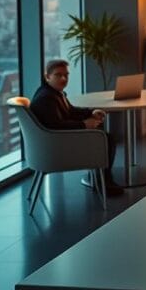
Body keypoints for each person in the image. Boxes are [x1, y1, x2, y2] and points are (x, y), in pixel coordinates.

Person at [30, 59, 124, 196]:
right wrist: (84, 124)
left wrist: (90, 112)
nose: (63, 78)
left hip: (53, 143)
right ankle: (104, 181)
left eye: (66, 75)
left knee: (102, 135)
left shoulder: (53, 93)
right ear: (47, 77)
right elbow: (56, 126)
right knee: (106, 138)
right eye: (58, 75)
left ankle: (102, 178)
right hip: (56, 148)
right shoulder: (46, 98)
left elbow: (70, 111)